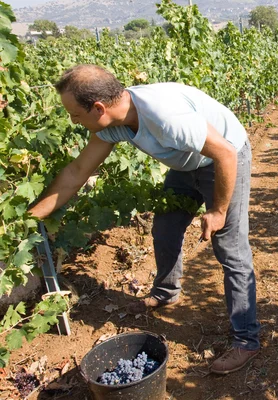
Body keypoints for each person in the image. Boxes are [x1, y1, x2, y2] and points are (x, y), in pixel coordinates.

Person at [28, 64, 260, 374]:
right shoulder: (112, 123)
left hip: (223, 156)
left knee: (229, 247)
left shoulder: (165, 117)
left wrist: (217, 212)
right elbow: (76, 173)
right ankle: (166, 292)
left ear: (98, 108)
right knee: (165, 227)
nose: (73, 121)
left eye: (75, 115)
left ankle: (247, 340)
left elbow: (225, 153)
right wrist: (26, 219)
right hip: (185, 162)